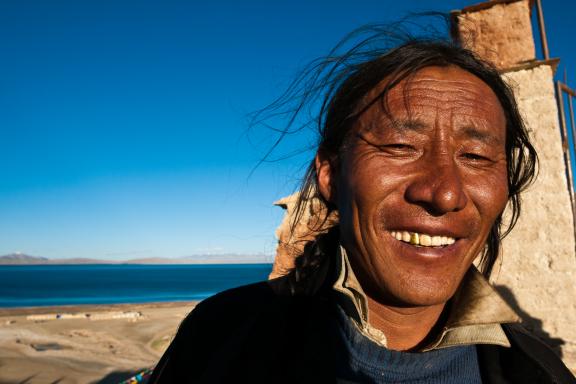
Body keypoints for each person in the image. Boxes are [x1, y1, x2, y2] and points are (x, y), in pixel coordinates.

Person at [149, 23, 575, 383]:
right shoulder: (221, 341)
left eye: (476, 157)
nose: (445, 193)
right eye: (400, 145)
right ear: (331, 175)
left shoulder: (541, 372)